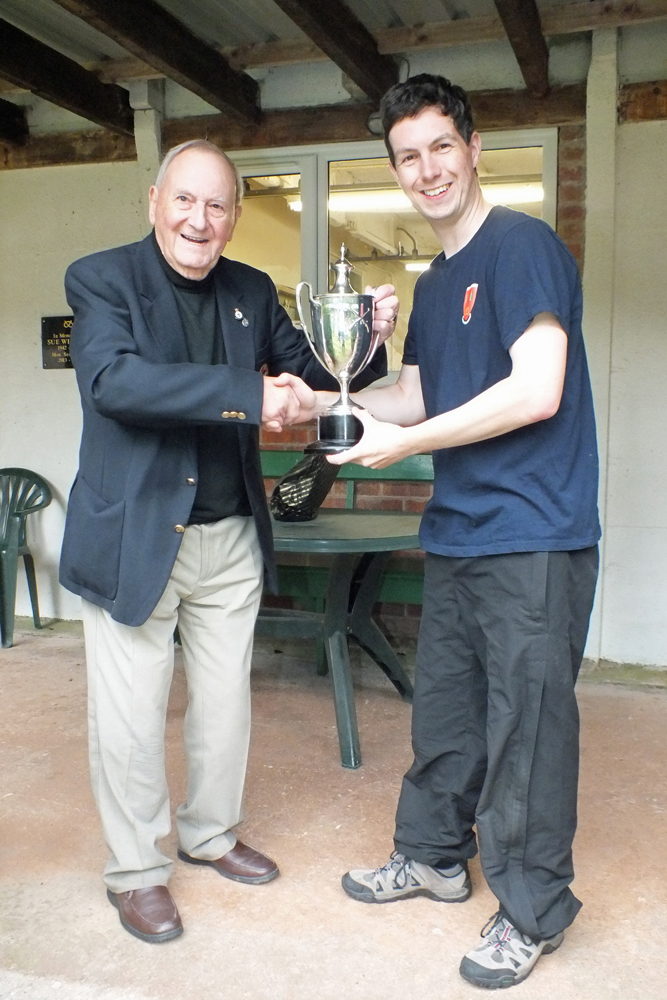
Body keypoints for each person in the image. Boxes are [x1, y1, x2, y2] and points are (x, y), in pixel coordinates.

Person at [291, 74, 601, 989]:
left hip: (534, 534)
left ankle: (533, 908)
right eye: (405, 156)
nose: (425, 169)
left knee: (528, 732)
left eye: (438, 147)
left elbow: (534, 387)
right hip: (461, 533)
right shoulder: (436, 281)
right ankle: (429, 854)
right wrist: (327, 402)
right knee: (448, 718)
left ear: (472, 149)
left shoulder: (521, 247)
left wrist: (404, 446)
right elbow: (418, 390)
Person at [59, 139, 396, 944]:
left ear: (234, 219)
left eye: (216, 206)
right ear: (153, 201)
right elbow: (116, 383)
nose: (199, 220)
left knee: (223, 708)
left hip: (230, 536)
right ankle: (136, 872)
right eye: (185, 201)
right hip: (135, 537)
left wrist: (368, 341)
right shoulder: (102, 279)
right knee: (133, 718)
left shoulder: (249, 289)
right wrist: (249, 394)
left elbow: (314, 372)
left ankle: (209, 835)